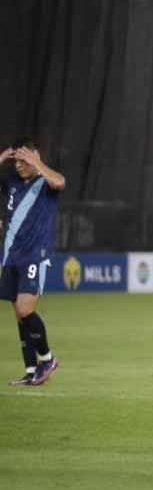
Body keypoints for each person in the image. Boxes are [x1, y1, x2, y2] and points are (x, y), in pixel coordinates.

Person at [2, 139, 66, 386]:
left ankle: (47, 359)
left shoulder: (45, 182)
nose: (18, 165)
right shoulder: (11, 182)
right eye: (16, 160)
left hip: (34, 255)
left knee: (24, 309)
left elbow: (60, 181)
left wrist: (37, 163)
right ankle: (30, 371)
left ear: (34, 157)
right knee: (19, 316)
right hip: (11, 256)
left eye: (23, 159)